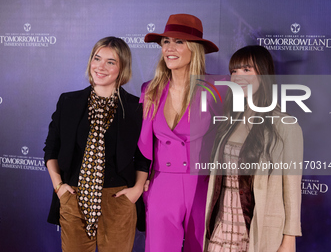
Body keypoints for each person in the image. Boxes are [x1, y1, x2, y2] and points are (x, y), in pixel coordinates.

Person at [43, 36, 149, 252]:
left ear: (122, 68)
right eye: (97, 58)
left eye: (111, 62)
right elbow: (51, 149)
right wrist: (59, 187)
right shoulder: (68, 101)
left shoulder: (136, 107)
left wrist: (137, 190)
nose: (100, 66)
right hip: (74, 198)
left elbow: (144, 156)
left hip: (118, 200)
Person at [204, 45, 303, 252]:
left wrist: (289, 238)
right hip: (221, 228)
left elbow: (292, 190)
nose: (238, 77)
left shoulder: (285, 125)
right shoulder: (228, 121)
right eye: (234, 71)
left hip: (259, 231)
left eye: (247, 70)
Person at [137, 14, 219, 252]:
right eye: (166, 42)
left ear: (194, 49)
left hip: (201, 184)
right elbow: (143, 144)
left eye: (179, 42)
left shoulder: (215, 90)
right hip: (161, 184)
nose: (170, 48)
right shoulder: (149, 90)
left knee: (200, 247)